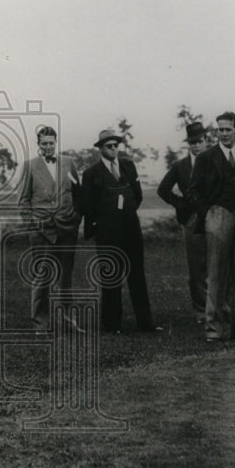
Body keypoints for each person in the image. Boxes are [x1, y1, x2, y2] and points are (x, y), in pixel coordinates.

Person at [81, 129, 160, 334]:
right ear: (100, 149)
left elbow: (137, 195)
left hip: (131, 230)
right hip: (107, 234)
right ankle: (112, 325)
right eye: (109, 146)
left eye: (116, 145)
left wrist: (125, 213)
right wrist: (99, 226)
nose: (113, 149)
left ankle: (145, 323)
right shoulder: (91, 174)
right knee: (111, 276)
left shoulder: (128, 166)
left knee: (137, 277)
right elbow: (87, 205)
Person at [187, 111, 235, 342]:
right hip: (218, 217)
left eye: (228, 129)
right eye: (220, 130)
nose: (224, 134)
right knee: (216, 275)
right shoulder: (206, 157)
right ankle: (213, 329)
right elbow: (193, 191)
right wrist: (208, 214)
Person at [18, 125, 83, 332]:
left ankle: (69, 321)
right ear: (38, 145)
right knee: (42, 276)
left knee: (66, 275)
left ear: (56, 143)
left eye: (51, 143)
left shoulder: (68, 163)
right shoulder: (30, 166)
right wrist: (32, 226)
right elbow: (23, 201)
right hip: (42, 231)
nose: (48, 147)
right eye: (44, 143)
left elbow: (78, 194)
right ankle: (40, 323)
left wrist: (75, 218)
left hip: (66, 229)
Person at [157, 121, 209, 324]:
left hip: (214, 215)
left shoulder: (215, 160)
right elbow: (163, 189)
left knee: (217, 264)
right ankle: (201, 311)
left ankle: (219, 307)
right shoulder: (181, 166)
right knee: (196, 267)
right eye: (192, 142)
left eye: (200, 141)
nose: (196, 145)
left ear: (206, 141)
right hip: (192, 219)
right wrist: (182, 205)